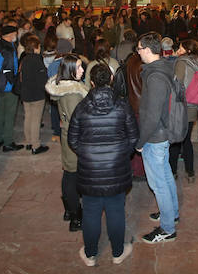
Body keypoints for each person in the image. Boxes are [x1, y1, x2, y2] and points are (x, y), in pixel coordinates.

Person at [69, 63, 139, 266]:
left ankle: (90, 254)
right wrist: (120, 154)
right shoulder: (122, 105)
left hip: (90, 169)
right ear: (110, 80)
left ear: (91, 82)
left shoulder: (81, 107)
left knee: (91, 211)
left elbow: (72, 139)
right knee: (116, 209)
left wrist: (87, 154)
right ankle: (118, 252)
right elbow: (133, 136)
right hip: (116, 168)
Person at [135, 32, 180, 244]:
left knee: (158, 183)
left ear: (147, 49)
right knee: (166, 175)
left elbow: (151, 115)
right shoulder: (163, 67)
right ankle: (171, 212)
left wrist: (141, 142)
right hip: (162, 132)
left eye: (139, 49)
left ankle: (168, 228)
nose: (137, 52)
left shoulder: (154, 77)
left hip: (156, 136)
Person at [46, 54, 88, 232]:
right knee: (73, 175)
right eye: (78, 67)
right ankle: (76, 216)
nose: (82, 70)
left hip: (68, 134)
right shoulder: (73, 92)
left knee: (69, 172)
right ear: (70, 70)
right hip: (76, 137)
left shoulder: (62, 86)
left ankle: (69, 210)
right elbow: (77, 119)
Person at [169, 38, 198, 182]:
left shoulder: (181, 62)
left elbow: (177, 85)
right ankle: (190, 172)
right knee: (187, 140)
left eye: (181, 49)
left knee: (176, 141)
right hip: (193, 105)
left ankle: (173, 172)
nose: (178, 51)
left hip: (181, 106)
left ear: (187, 51)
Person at [0, 26, 23, 152]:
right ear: (10, 34)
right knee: (9, 114)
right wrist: (14, 82)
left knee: (0, 111)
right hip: (8, 85)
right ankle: (8, 142)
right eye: (15, 33)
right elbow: (10, 67)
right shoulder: (8, 48)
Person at [18, 35, 50, 155]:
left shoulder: (25, 59)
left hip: (26, 93)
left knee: (28, 117)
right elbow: (42, 79)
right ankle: (35, 145)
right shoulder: (37, 60)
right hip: (36, 94)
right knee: (36, 119)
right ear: (35, 47)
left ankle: (28, 141)